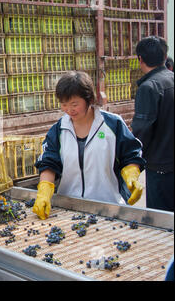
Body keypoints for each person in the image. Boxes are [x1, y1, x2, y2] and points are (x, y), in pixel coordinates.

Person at [32, 71, 146, 220]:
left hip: (109, 208)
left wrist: (132, 175)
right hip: (69, 209)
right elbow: (49, 162)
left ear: (89, 99)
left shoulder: (112, 124)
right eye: (64, 104)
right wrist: (44, 191)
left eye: (74, 104)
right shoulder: (58, 130)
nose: (69, 110)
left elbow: (130, 154)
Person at [131, 36, 174, 212]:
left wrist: (131, 161)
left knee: (161, 223)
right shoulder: (171, 79)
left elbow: (142, 132)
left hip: (160, 167)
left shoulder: (149, 88)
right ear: (165, 57)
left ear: (140, 59)